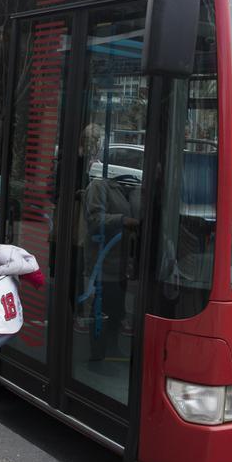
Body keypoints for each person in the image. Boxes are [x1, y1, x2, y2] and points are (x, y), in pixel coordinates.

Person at [78, 124, 141, 361]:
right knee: (102, 310)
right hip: (101, 262)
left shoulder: (131, 189)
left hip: (122, 262)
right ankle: (98, 352)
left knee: (117, 310)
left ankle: (113, 347)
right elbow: (94, 220)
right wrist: (123, 220)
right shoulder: (99, 186)